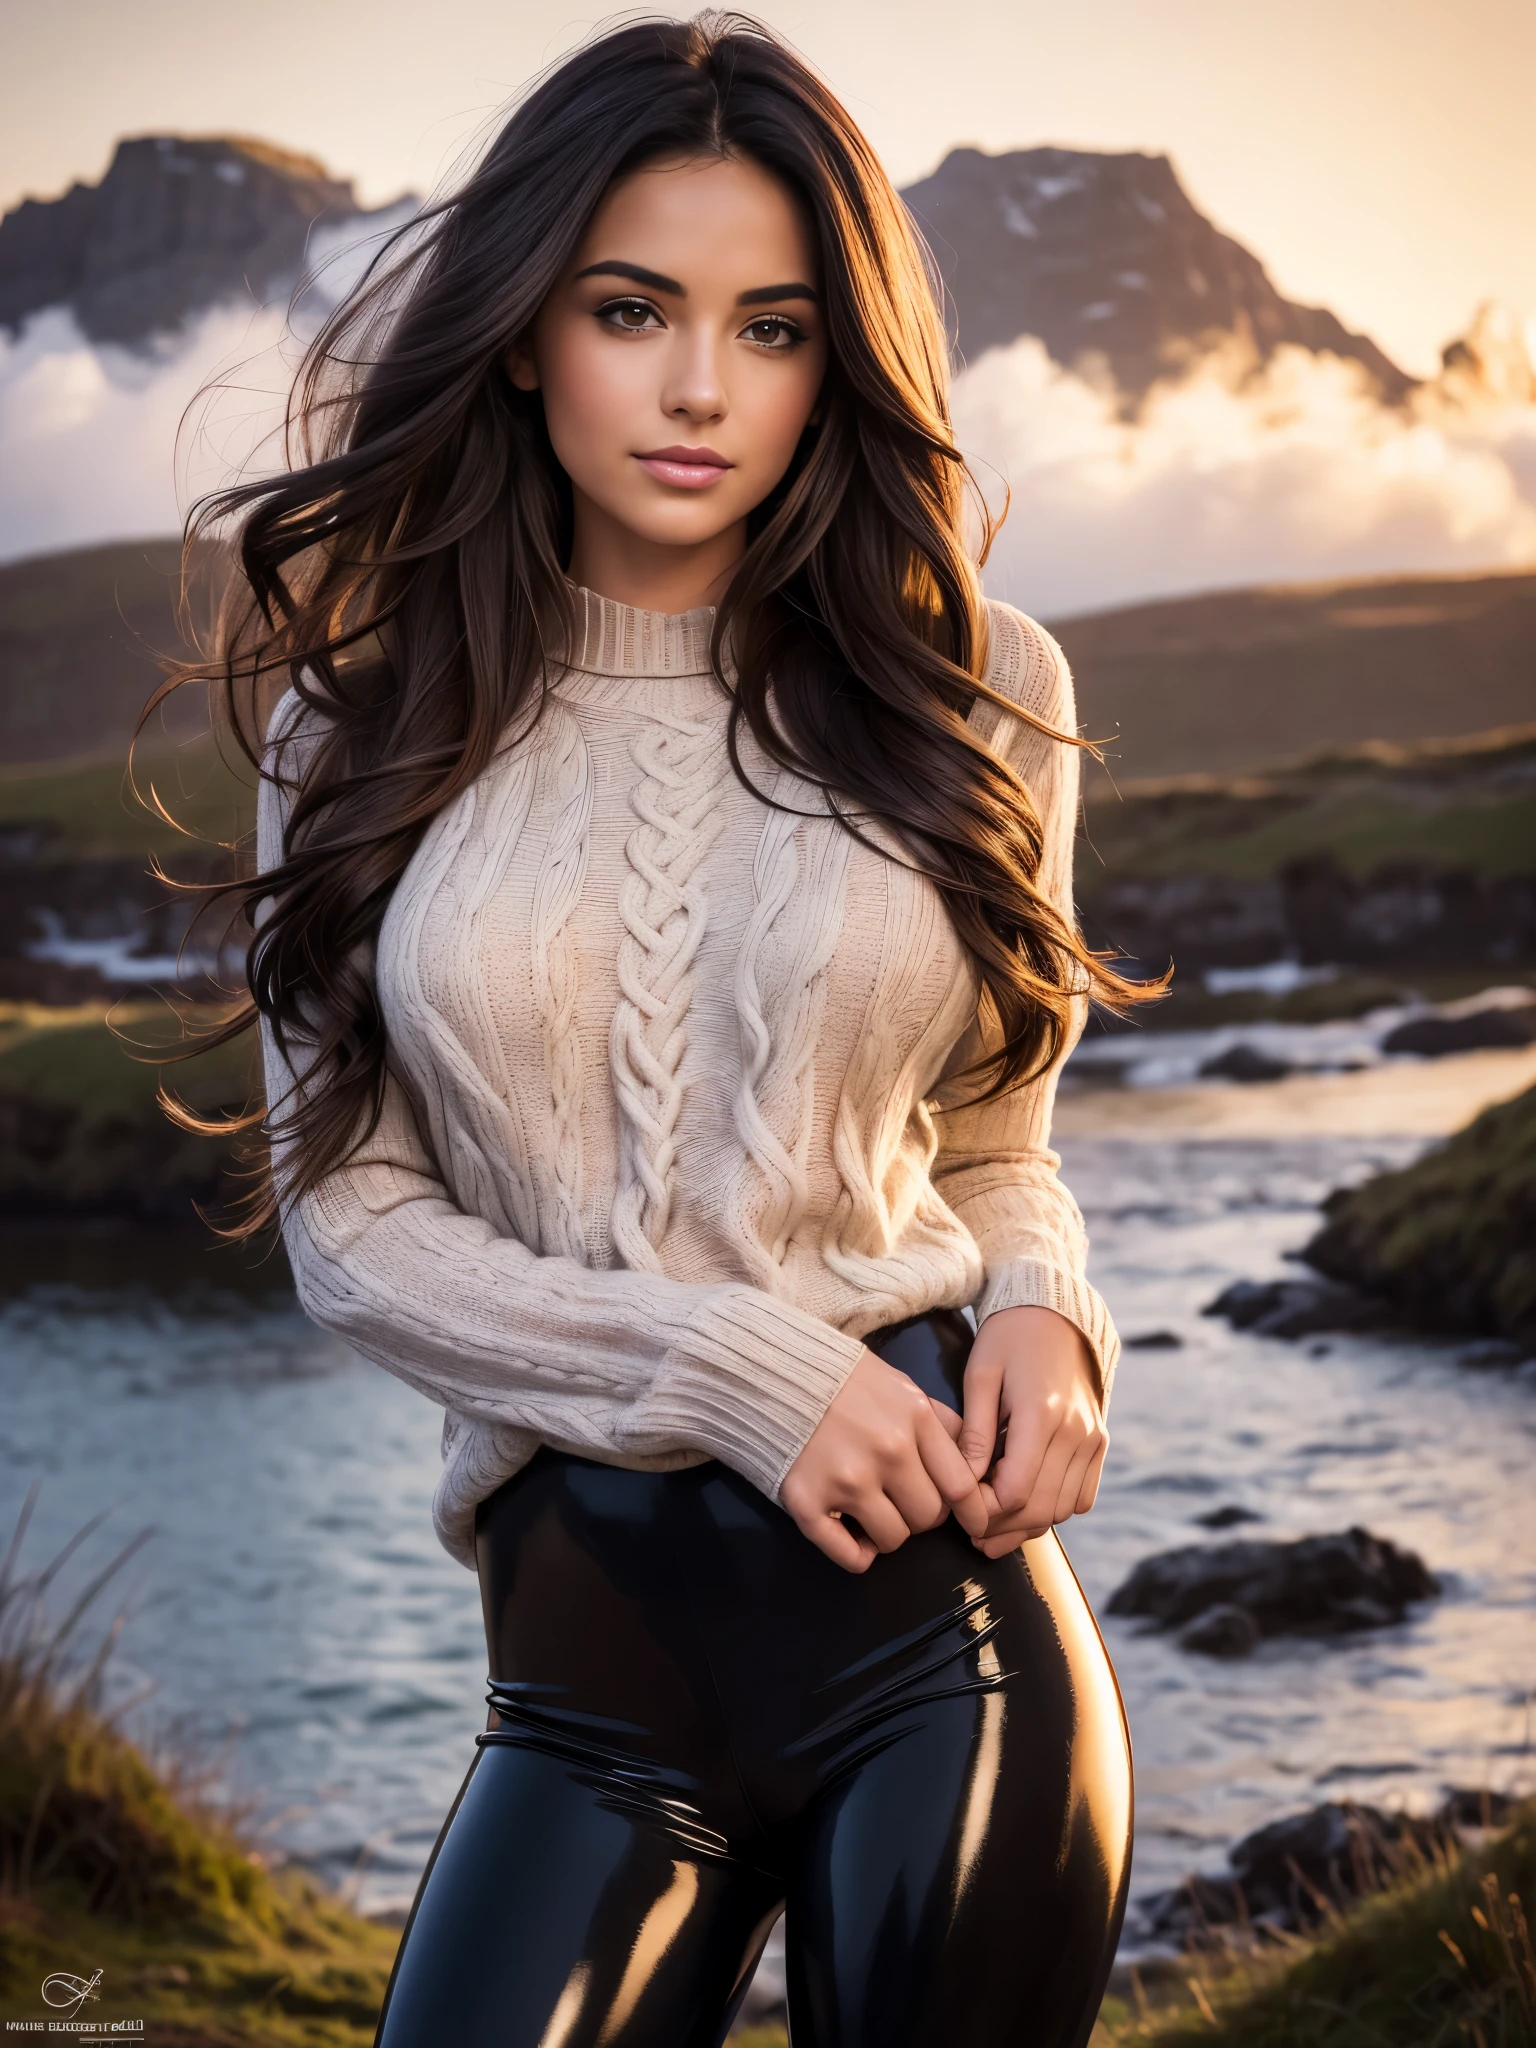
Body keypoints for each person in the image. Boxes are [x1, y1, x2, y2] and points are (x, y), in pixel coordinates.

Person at [151, 14, 1156, 2044]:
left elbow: (992, 1143)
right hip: (585, 1687)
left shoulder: (977, 694)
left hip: (940, 1640)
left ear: (837, 358)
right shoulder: (358, 725)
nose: (702, 387)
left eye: (776, 327)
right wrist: (725, 1361)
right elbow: (351, 1227)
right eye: (636, 309)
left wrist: (1046, 1309)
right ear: (527, 329)